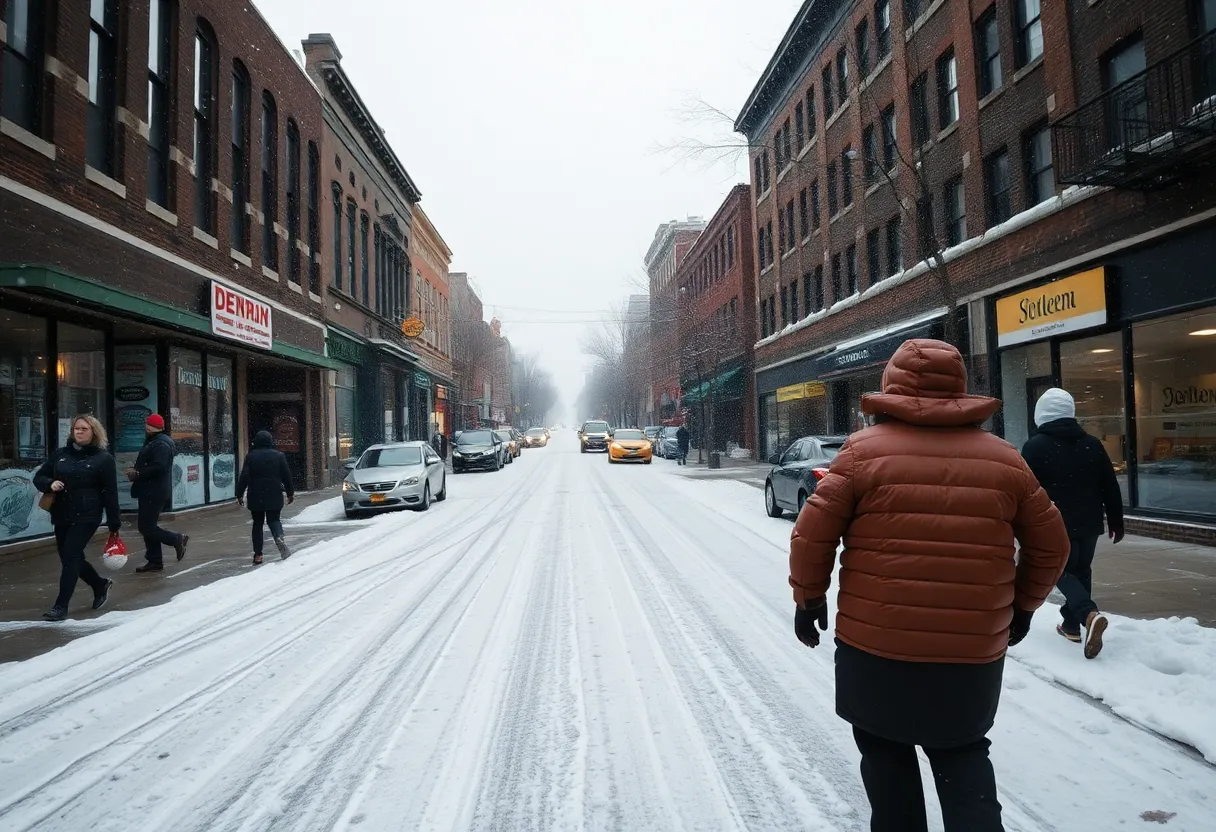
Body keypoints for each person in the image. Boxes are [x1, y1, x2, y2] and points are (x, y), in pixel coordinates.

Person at [788, 339, 1070, 832]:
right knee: (963, 758)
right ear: (958, 387)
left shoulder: (861, 453)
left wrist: (809, 597)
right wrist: (1022, 608)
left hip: (876, 647)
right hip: (969, 656)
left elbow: (812, 534)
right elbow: (1053, 545)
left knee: (886, 759)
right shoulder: (1004, 460)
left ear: (890, 386)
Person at [1022, 388, 1124, 658]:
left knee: (1059, 571)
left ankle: (1088, 614)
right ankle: (1071, 626)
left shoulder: (1035, 446)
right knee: (1081, 570)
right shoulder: (1092, 444)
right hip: (1089, 522)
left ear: (1041, 414)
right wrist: (1116, 519)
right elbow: (1109, 485)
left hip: (1055, 522)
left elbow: (1025, 490)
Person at [33, 415, 122, 621]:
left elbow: (110, 492)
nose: (79, 432)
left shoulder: (103, 459)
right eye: (76, 429)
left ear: (94, 432)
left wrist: (113, 522)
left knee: (71, 556)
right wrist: (50, 483)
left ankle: (60, 606)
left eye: (84, 429)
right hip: (62, 513)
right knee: (69, 557)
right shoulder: (61, 454)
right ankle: (100, 584)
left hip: (87, 515)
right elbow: (39, 477)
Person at [125, 414, 188, 573]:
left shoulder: (160, 444)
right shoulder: (155, 441)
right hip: (150, 489)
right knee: (148, 526)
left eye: (147, 424)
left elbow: (159, 467)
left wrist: (138, 474)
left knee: (146, 527)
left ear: (152, 426)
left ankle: (176, 539)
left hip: (153, 491)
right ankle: (155, 560)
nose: (145, 427)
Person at [236, 430, 295, 564]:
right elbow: (287, 476)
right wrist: (290, 493)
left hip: (255, 494)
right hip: (274, 493)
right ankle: (279, 536)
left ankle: (258, 555)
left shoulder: (251, 457)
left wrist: (239, 494)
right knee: (274, 519)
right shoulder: (279, 456)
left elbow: (244, 476)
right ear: (270, 441)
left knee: (257, 524)